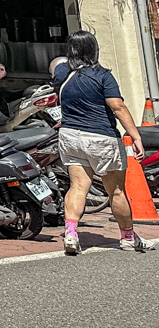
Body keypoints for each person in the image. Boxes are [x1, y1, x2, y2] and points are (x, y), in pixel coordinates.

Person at [54, 29, 155, 254]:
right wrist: (135, 136)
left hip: (70, 136)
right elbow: (117, 106)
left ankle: (70, 234)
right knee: (116, 191)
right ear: (94, 50)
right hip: (102, 137)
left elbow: (56, 67)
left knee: (78, 187)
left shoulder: (62, 73)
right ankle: (128, 237)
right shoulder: (102, 75)